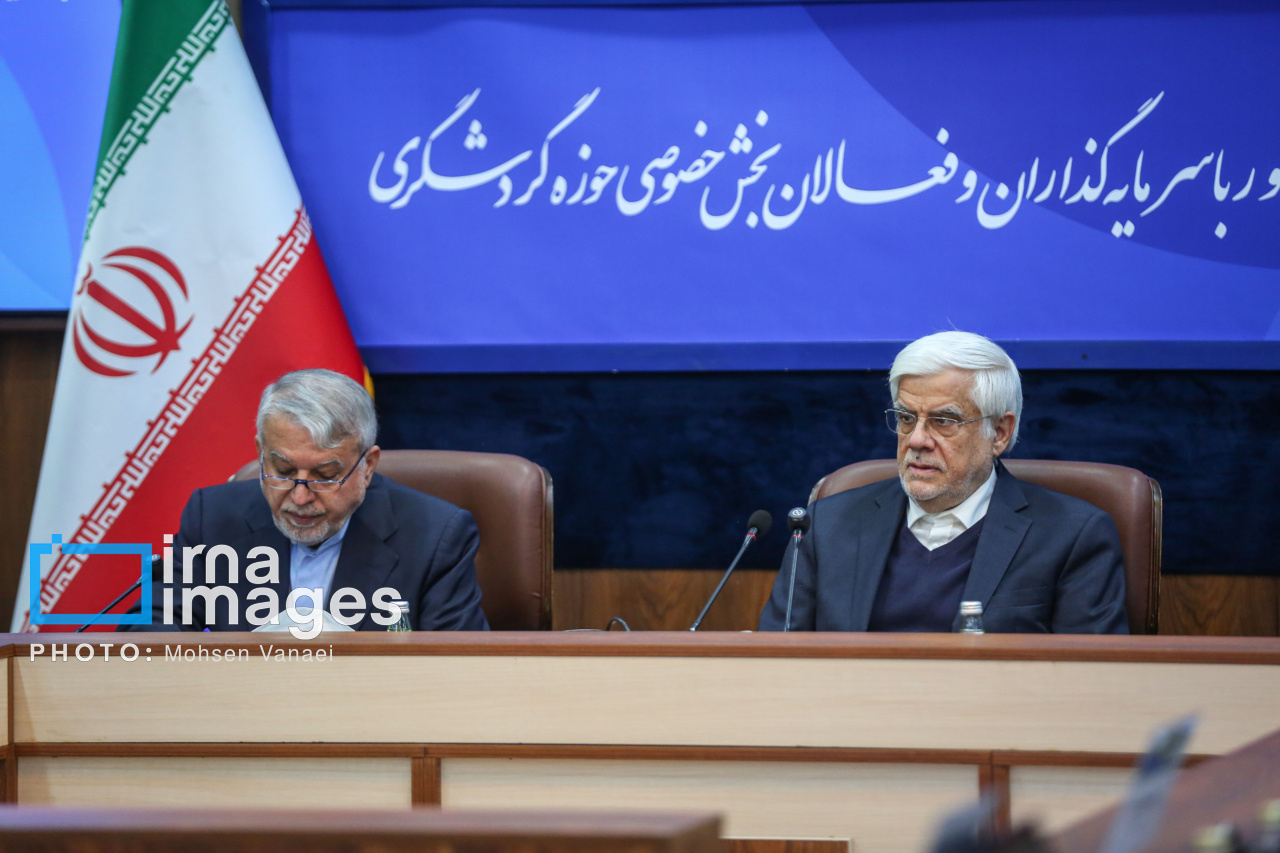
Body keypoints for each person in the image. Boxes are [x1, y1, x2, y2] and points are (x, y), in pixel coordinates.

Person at [759, 331, 1127, 634]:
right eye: (906, 418)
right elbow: (777, 662)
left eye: (944, 421)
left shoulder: (1071, 535)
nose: (917, 440)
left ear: (999, 432)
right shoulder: (827, 526)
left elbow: (1092, 680)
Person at [132, 369, 488, 631]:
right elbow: (152, 631)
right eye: (283, 470)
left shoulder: (435, 537)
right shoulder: (212, 518)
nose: (300, 497)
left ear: (367, 466)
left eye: (326, 476)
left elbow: (457, 666)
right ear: (261, 453)